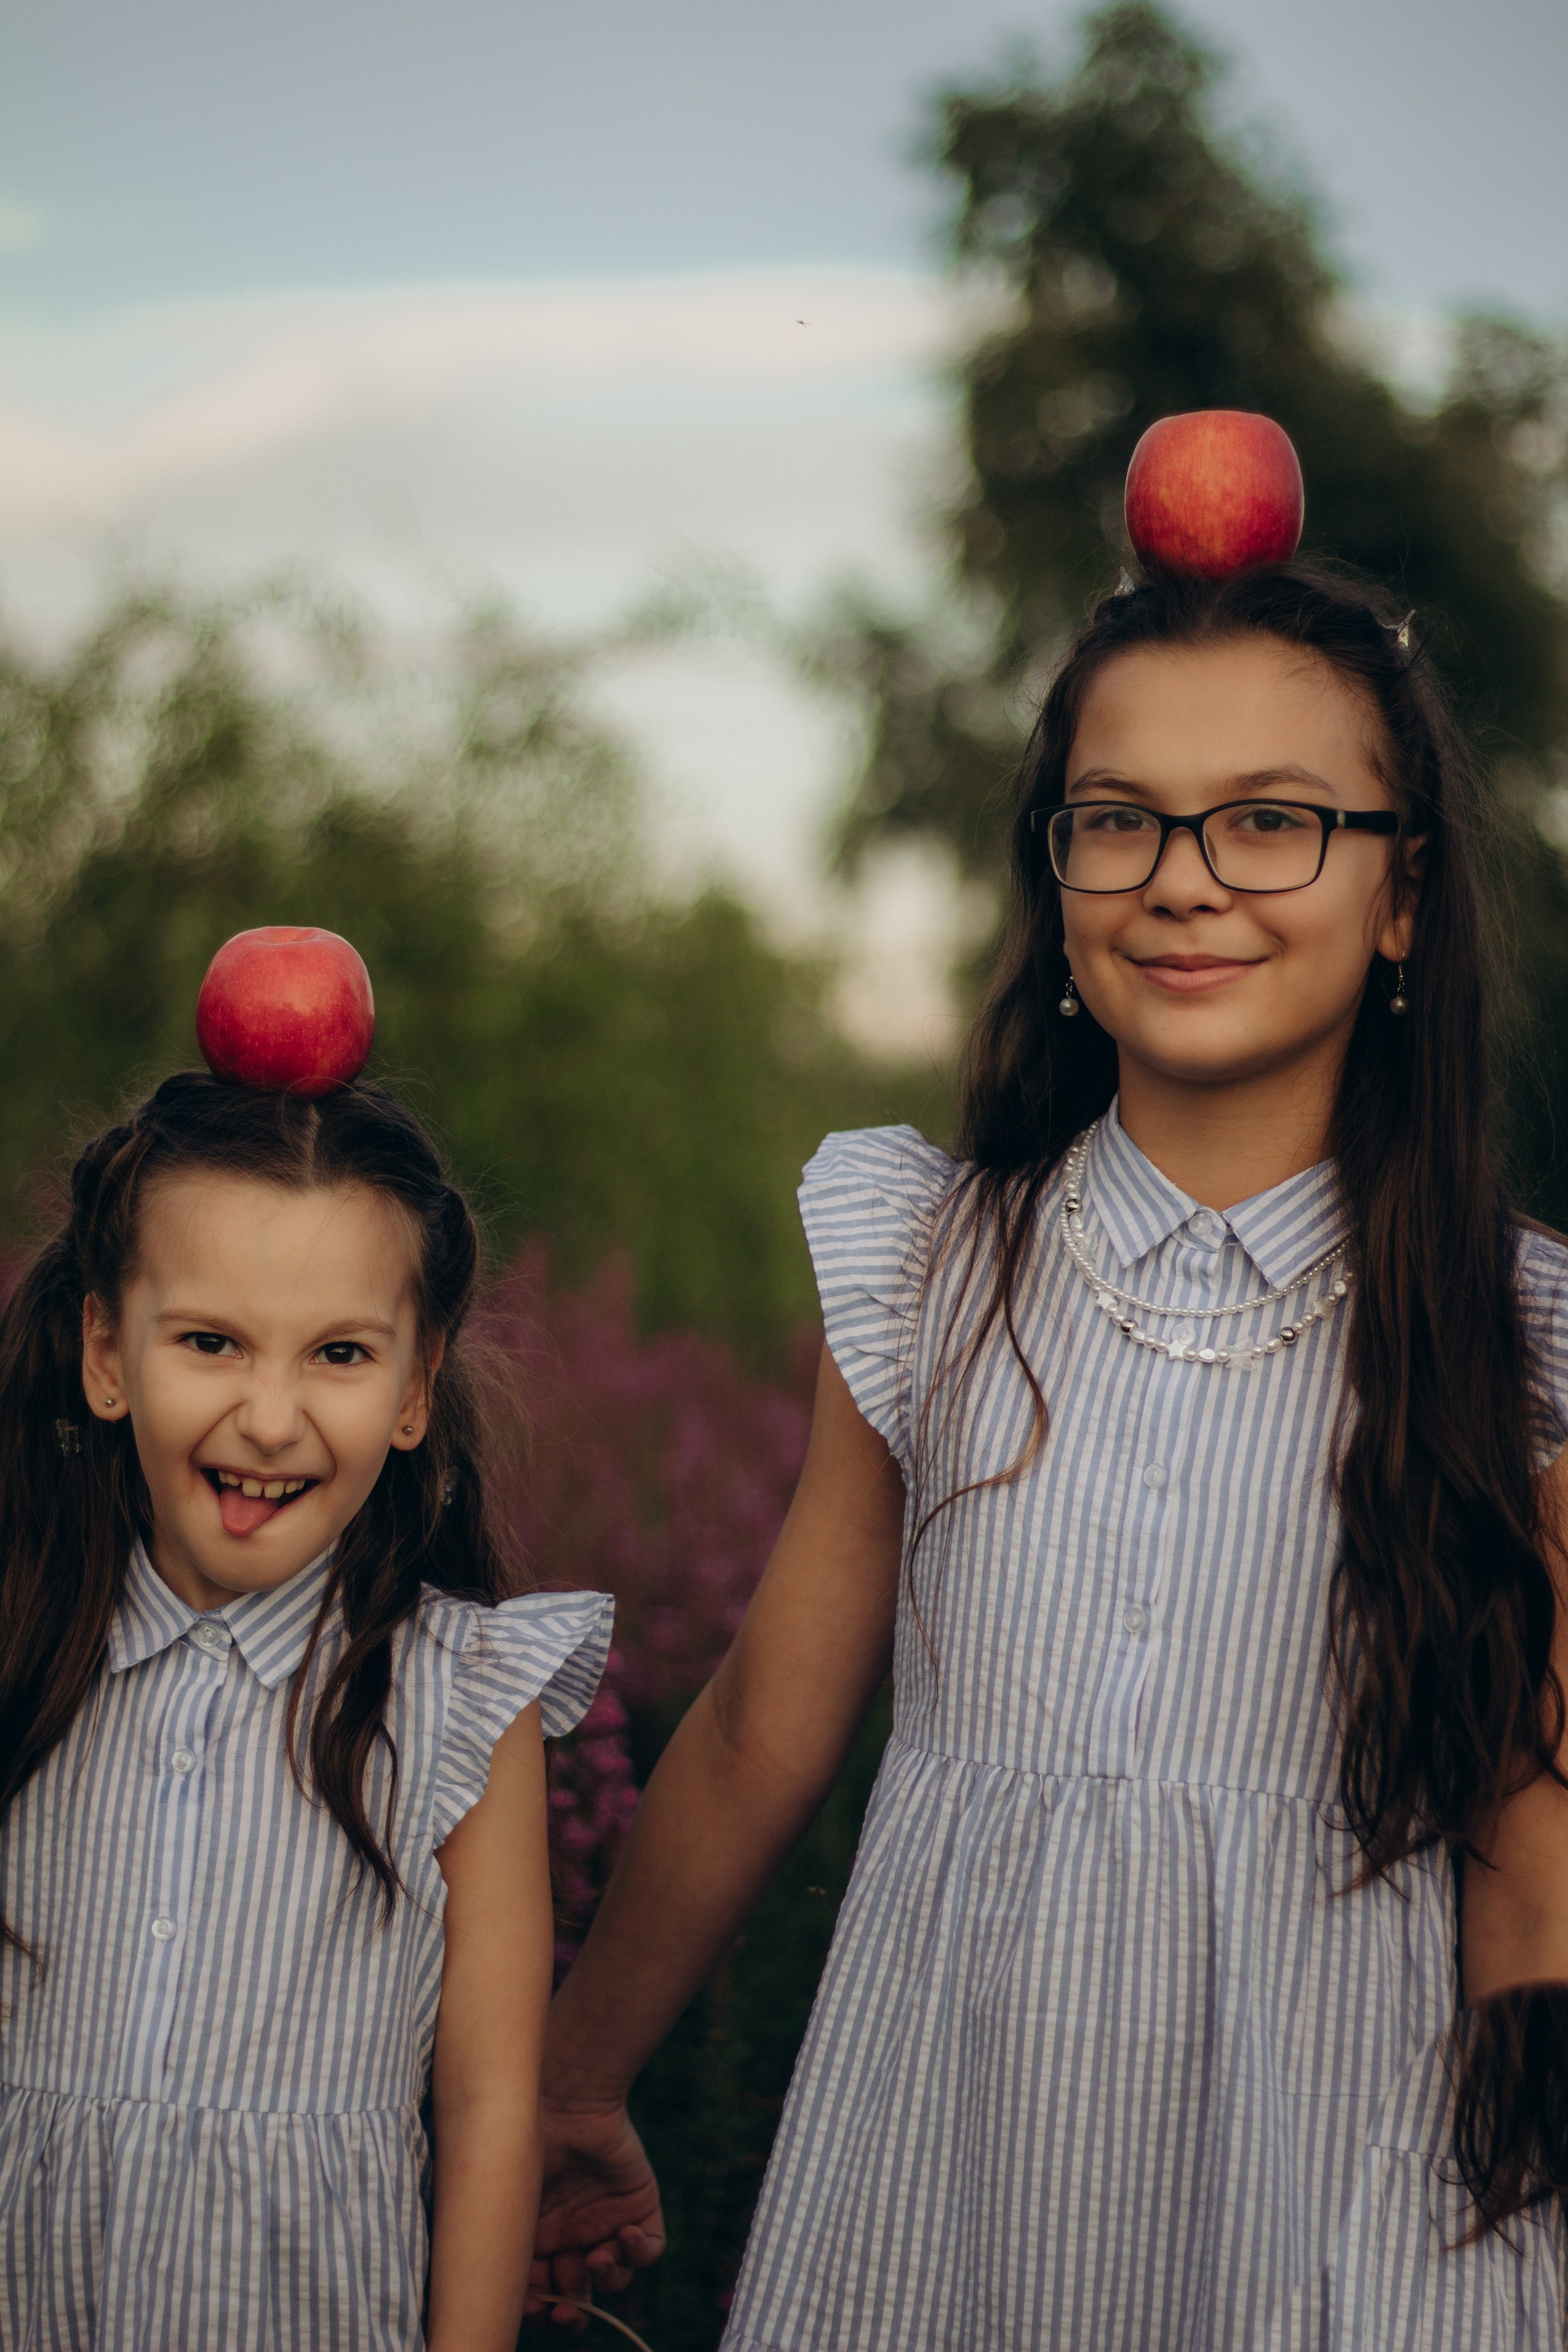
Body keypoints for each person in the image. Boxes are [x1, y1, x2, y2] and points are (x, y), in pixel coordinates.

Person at [531, 562, 1568, 2347]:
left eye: (1272, 821)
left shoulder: (1513, 1337)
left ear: (1402, 897)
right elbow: (771, 1720)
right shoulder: (938, 1265)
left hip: (1343, 2181)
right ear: (1059, 865)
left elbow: (1538, 1851)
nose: (1184, 875)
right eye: (1122, 819)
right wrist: (566, 2087)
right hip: (956, 2153)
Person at [0, 1068, 611, 2350]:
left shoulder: (455, 1699)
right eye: (209, 1342)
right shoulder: (24, 1654)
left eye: (337, 1354)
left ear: (413, 1387)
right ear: (107, 1356)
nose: (269, 1418)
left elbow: (491, 2101)